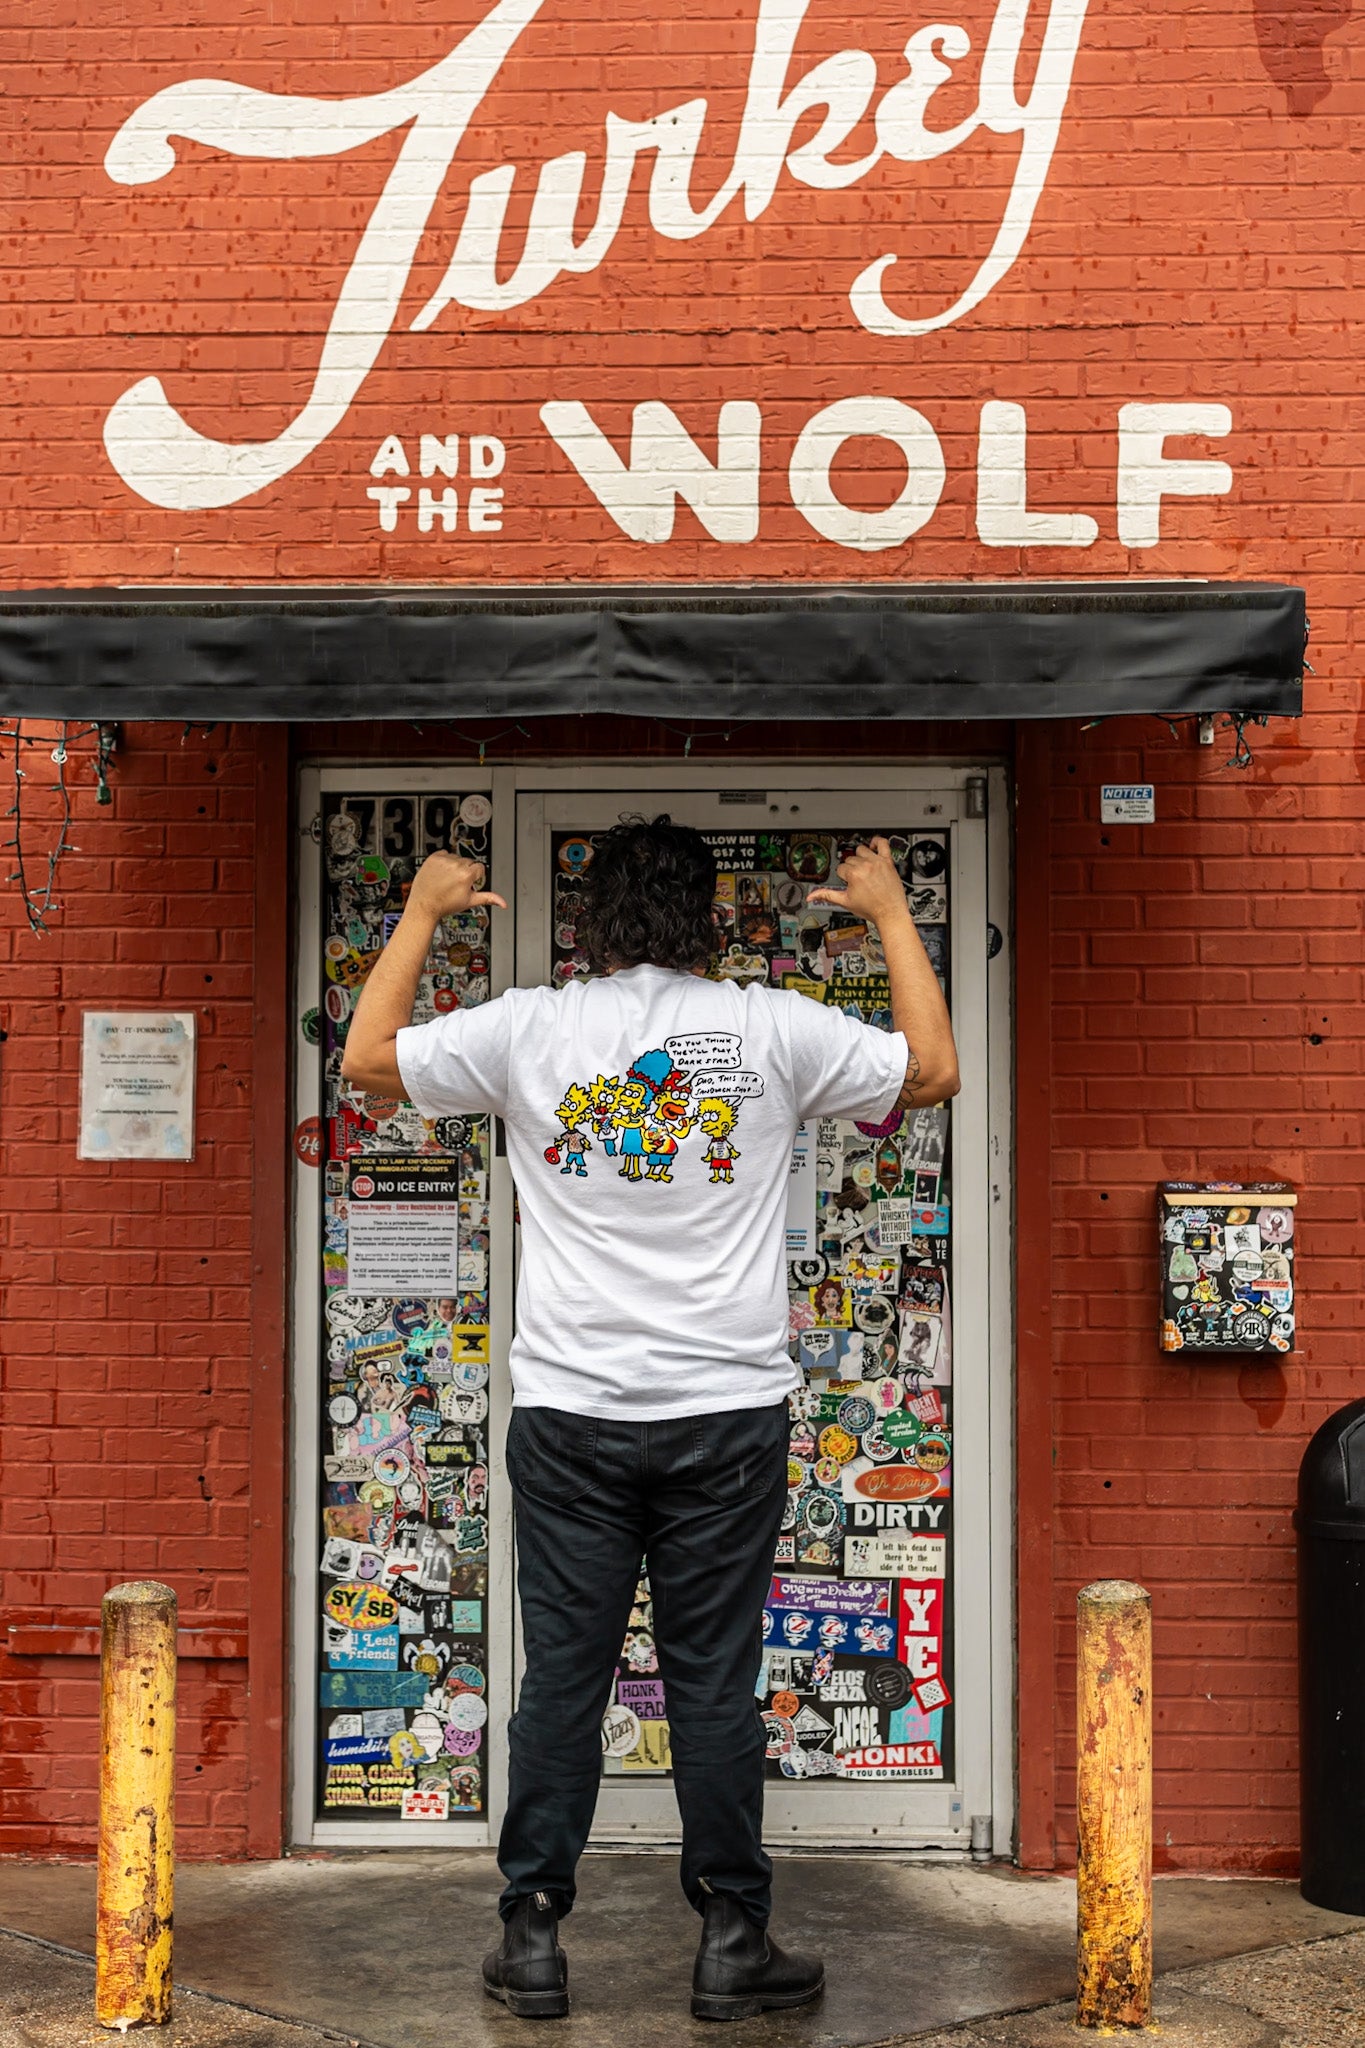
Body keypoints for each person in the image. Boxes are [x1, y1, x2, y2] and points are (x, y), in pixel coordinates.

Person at [341, 816, 959, 2024]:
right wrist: (892, 914)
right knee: (713, 1681)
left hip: (570, 1410)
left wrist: (418, 910)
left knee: (563, 1681)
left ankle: (532, 1933)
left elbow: (366, 1057)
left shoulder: (531, 1026)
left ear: (591, 924)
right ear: (709, 921)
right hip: (725, 1413)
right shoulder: (772, 1027)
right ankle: (732, 1936)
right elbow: (932, 1069)